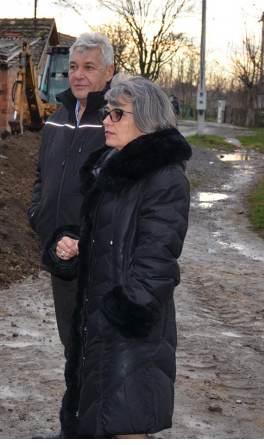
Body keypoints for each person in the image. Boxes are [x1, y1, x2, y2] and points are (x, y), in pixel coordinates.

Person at [37, 74, 191, 439]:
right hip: (98, 320)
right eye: (108, 112)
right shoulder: (108, 169)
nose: (105, 120)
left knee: (127, 421)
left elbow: (156, 264)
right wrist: (72, 246)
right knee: (96, 413)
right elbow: (102, 240)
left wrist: (120, 314)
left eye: (117, 114)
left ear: (148, 121)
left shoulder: (164, 179)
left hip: (129, 330)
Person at [27, 33, 115, 354]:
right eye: (74, 67)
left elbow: (120, 195)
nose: (78, 75)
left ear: (109, 72)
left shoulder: (115, 122)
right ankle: (78, 403)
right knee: (71, 343)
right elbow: (41, 178)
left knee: (99, 346)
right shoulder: (56, 120)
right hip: (60, 256)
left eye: (89, 67)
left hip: (96, 259)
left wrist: (86, 238)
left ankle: (94, 404)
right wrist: (39, 218)